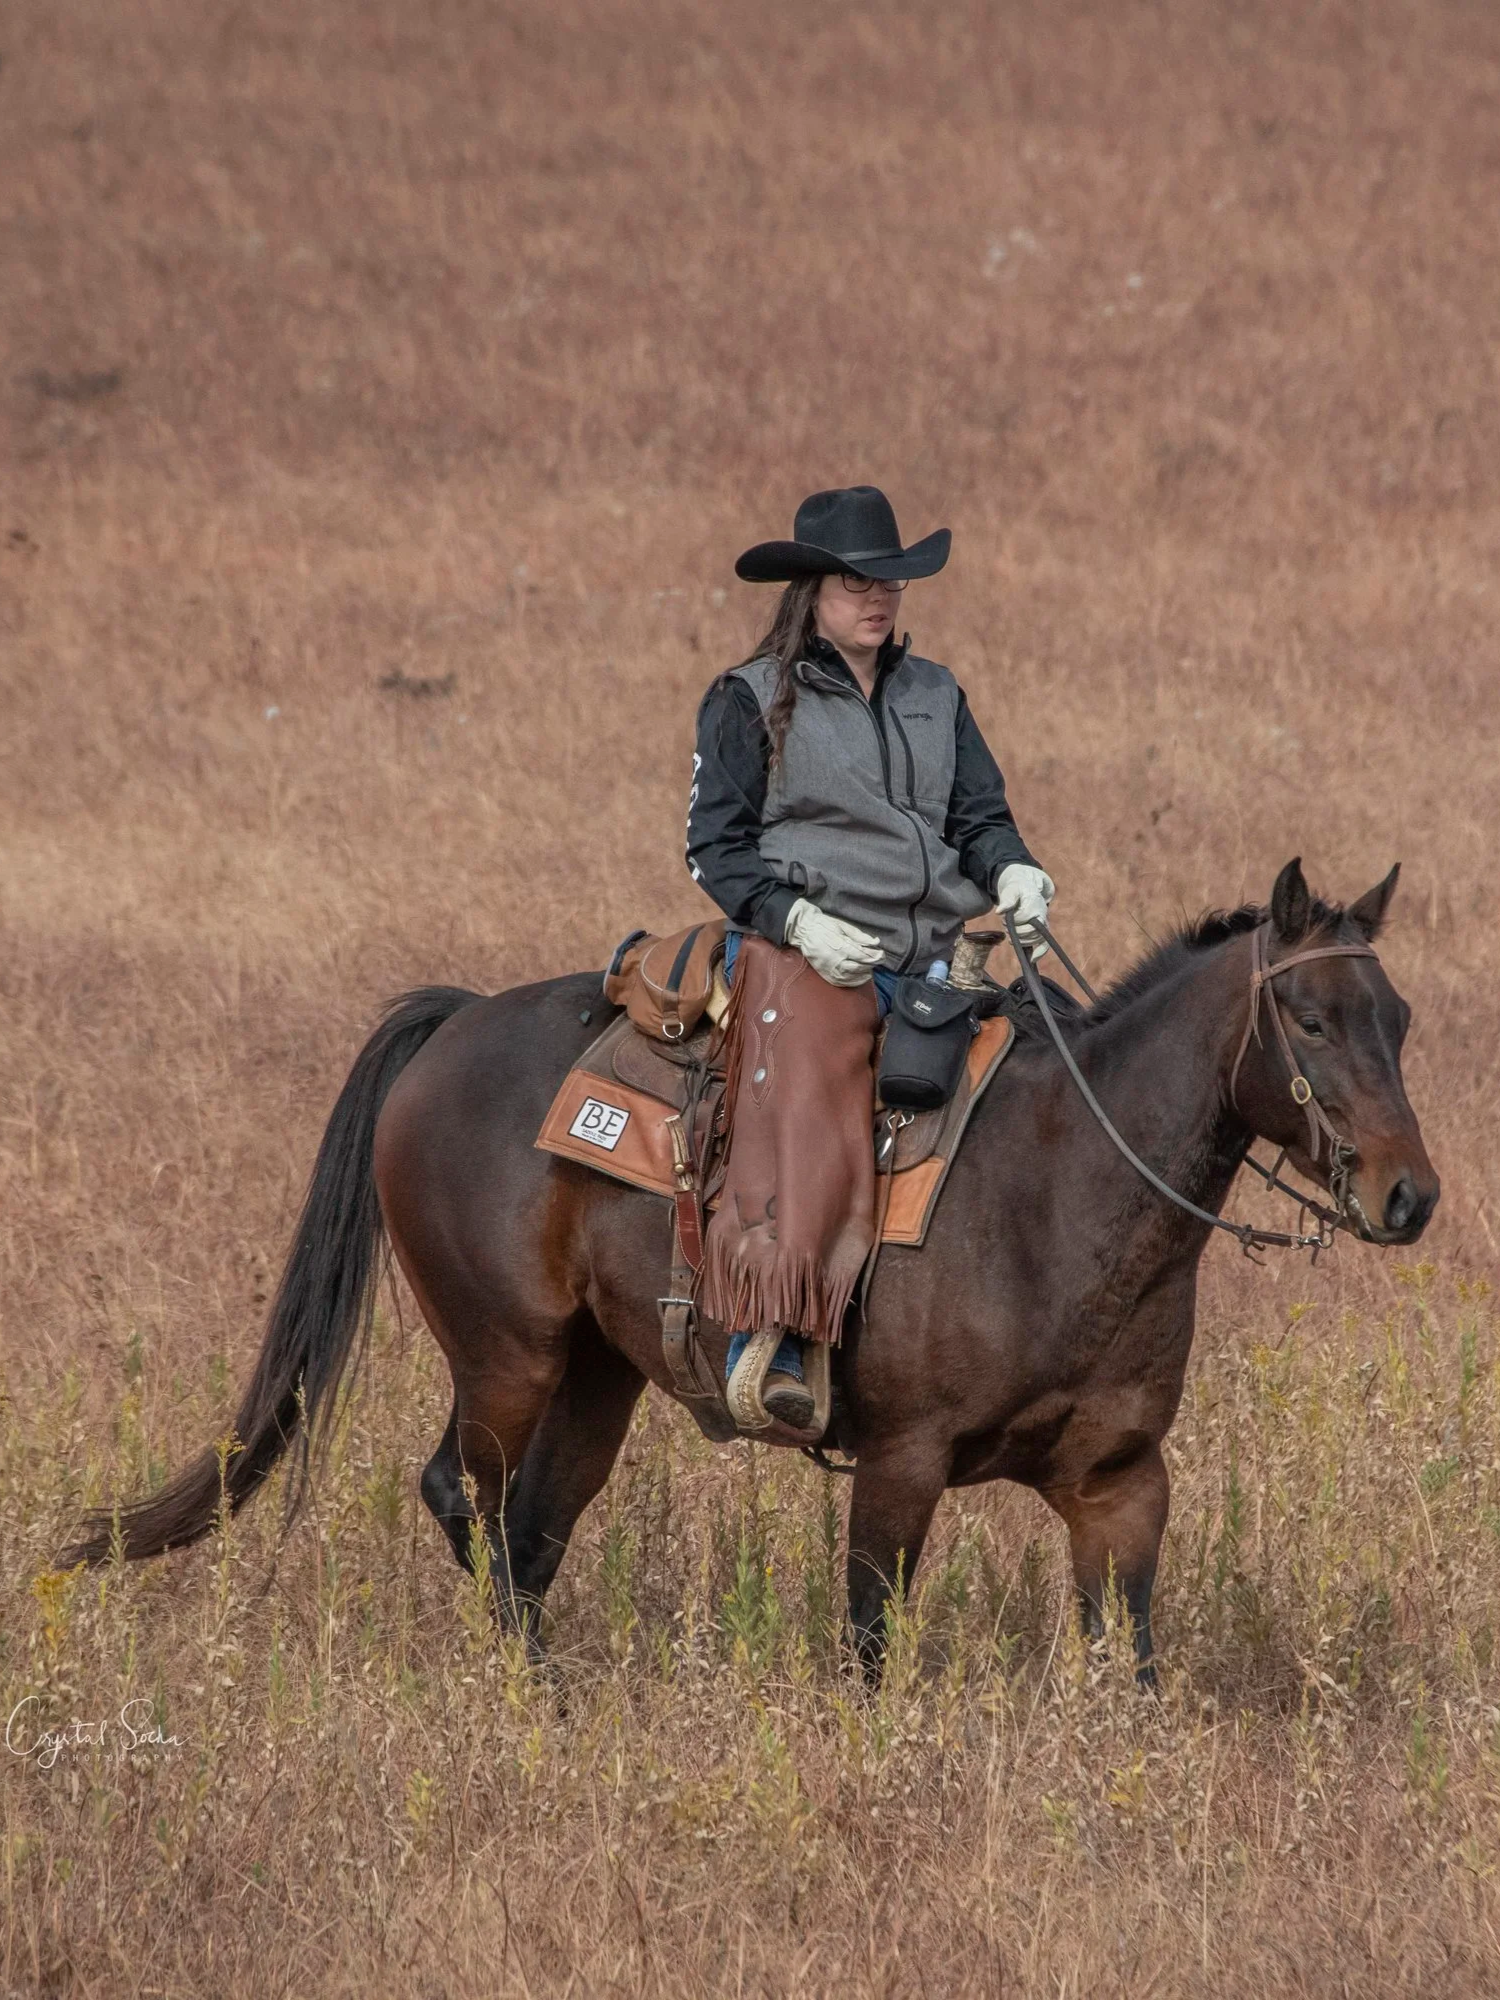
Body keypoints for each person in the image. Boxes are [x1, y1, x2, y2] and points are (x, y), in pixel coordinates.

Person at [685, 486, 1054, 1431]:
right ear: (810, 589)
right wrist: (796, 920)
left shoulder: (938, 695)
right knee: (815, 1081)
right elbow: (715, 848)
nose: (878, 598)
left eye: (890, 579)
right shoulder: (746, 697)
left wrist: (1013, 871)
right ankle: (773, 1332)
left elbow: (979, 818)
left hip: (933, 949)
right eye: (857, 581)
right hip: (805, 947)